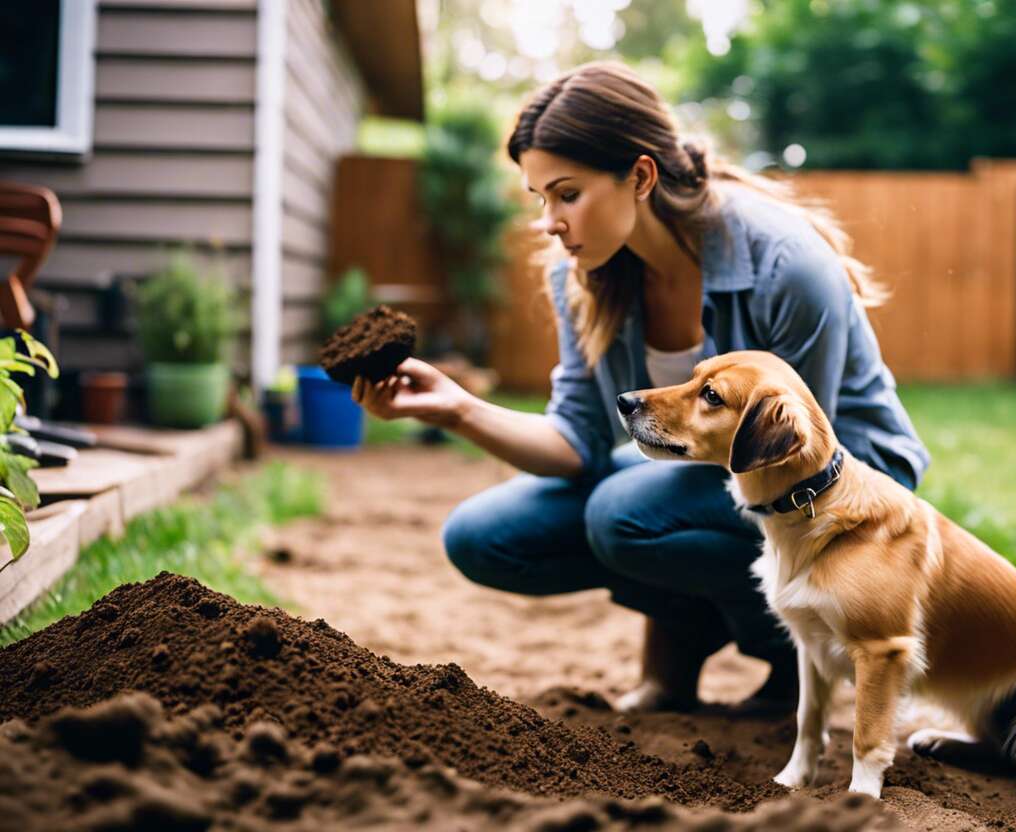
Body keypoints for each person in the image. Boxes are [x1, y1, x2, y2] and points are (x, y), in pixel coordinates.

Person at [352, 61, 930, 713]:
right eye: (540, 198)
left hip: (843, 480)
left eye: (567, 194)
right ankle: (688, 642)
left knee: (622, 512)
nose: (549, 221)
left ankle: (791, 660)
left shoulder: (785, 266)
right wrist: (456, 408)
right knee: (486, 536)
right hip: (714, 471)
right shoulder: (583, 274)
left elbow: (800, 461)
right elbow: (576, 440)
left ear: (641, 176)